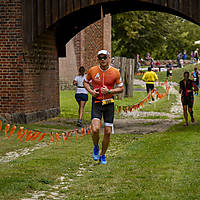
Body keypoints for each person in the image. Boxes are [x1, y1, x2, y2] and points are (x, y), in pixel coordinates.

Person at [84, 50, 123, 165]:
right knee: (95, 129)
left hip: (109, 103)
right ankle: (96, 146)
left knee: (107, 132)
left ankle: (103, 155)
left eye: (104, 57)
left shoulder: (115, 72)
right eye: (100, 58)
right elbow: (85, 82)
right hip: (97, 102)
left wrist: (109, 91)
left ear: (109, 58)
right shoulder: (93, 70)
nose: (102, 60)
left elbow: (121, 88)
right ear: (98, 59)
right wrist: (91, 91)